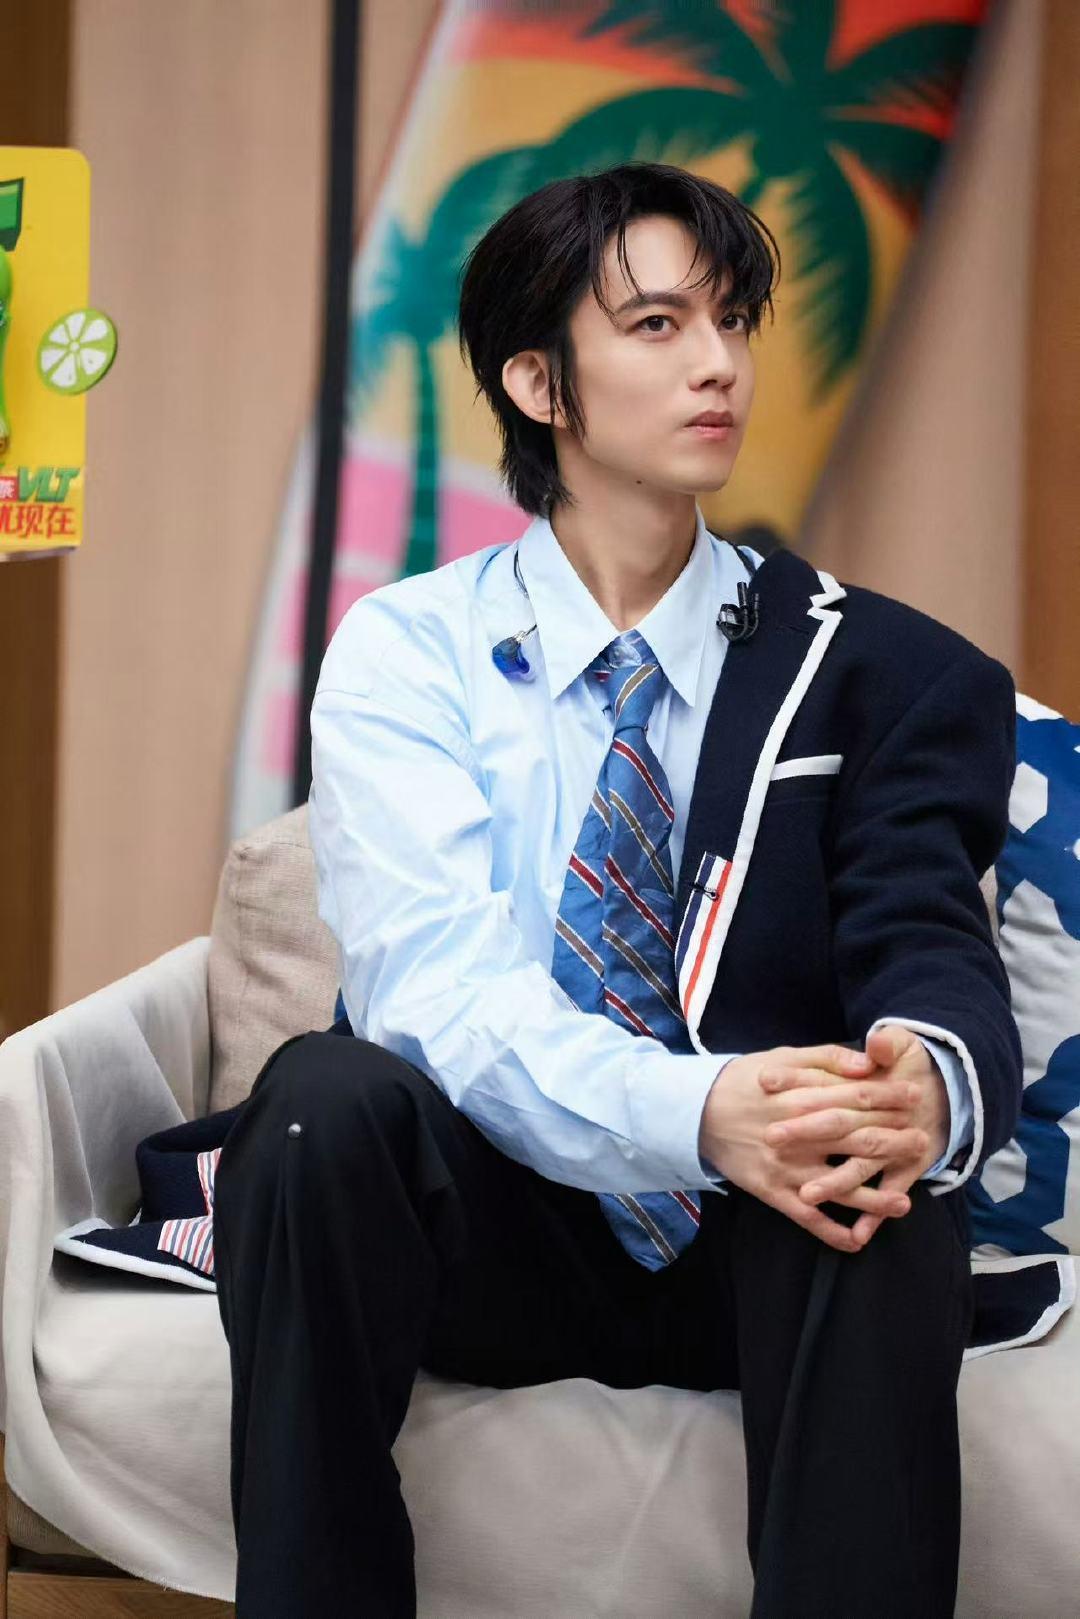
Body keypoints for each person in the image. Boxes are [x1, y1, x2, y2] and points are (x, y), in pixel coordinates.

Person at [212, 162, 1021, 1617]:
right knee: (319, 1101)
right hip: (502, 1233)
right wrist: (699, 1112)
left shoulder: (878, 668)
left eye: (733, 321)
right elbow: (432, 991)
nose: (720, 365)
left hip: (769, 1247)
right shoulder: (408, 652)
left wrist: (925, 1077)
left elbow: (926, 935)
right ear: (539, 382)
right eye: (657, 326)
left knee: (866, 1163)